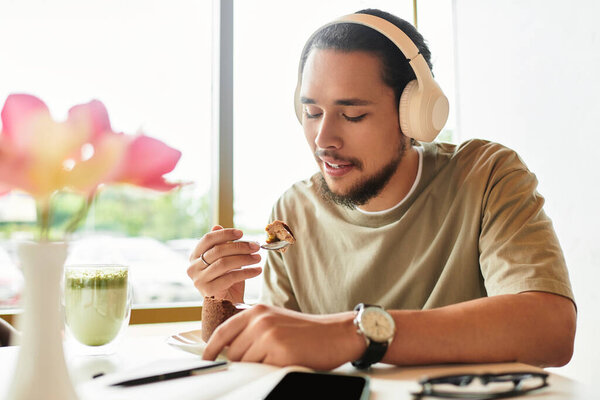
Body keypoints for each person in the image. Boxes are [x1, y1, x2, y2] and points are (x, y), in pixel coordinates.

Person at [187, 8, 576, 370]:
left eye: (353, 114)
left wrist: (356, 333)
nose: (324, 139)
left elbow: (550, 329)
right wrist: (221, 300)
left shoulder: (486, 176)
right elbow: (273, 356)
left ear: (415, 114)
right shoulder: (292, 211)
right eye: (312, 112)